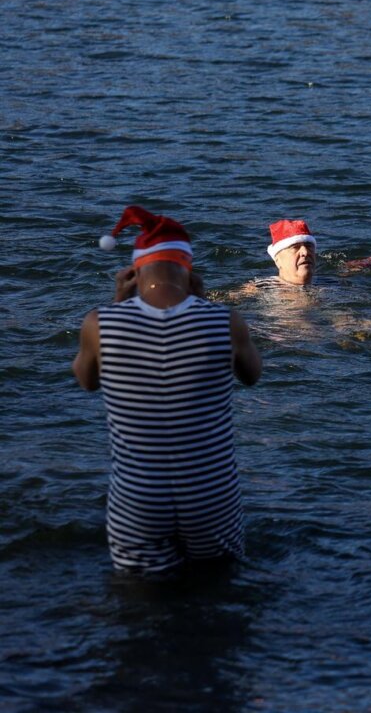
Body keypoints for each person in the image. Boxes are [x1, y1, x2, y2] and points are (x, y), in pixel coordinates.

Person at [72, 205, 262, 574]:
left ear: (134, 271)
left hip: (138, 499)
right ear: (188, 271)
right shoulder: (225, 321)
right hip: (211, 494)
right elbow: (252, 375)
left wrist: (117, 302)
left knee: (139, 602)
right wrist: (204, 303)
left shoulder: (101, 323)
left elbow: (87, 381)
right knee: (221, 588)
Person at [266, 219, 317, 287]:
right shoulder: (257, 290)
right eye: (295, 247)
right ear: (278, 261)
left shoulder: (331, 284)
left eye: (308, 246)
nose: (305, 252)